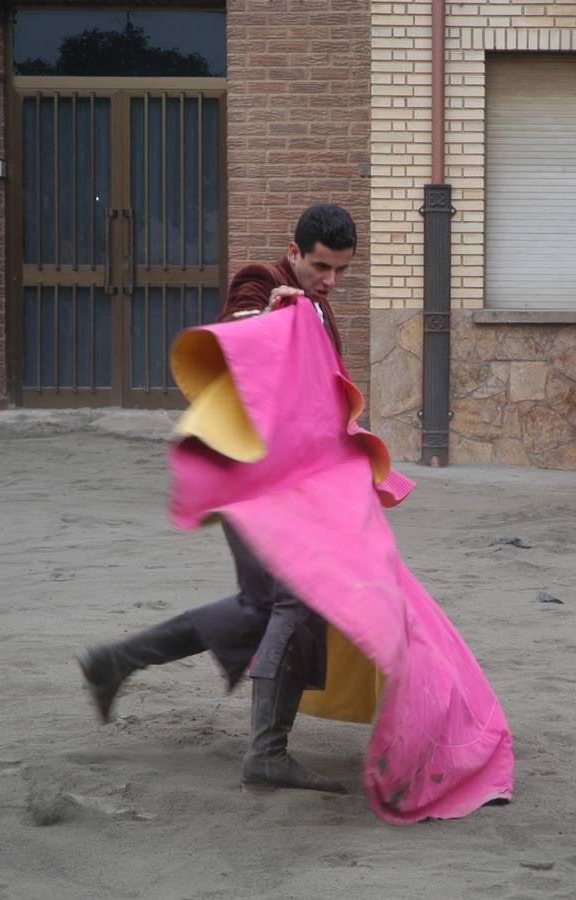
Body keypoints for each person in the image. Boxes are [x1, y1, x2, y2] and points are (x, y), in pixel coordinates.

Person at [78, 203, 359, 794]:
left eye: (340, 270)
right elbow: (238, 329)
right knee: (296, 598)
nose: (330, 280)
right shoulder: (261, 281)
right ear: (294, 251)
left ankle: (116, 661)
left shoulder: (319, 303)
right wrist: (271, 315)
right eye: (320, 267)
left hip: (285, 480)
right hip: (249, 478)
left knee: (260, 606)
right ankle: (267, 754)